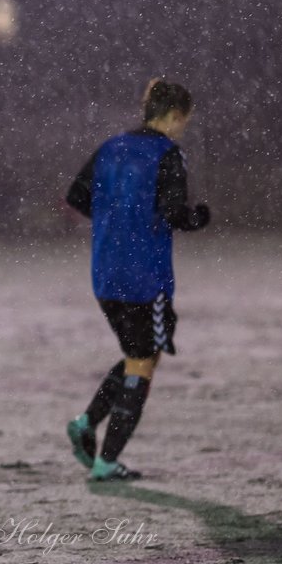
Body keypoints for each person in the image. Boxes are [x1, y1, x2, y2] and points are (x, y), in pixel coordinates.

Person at [64, 79, 211, 480]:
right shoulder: (168, 154)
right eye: (185, 120)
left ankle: (85, 423)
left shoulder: (110, 147)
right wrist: (199, 217)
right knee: (144, 363)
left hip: (105, 271)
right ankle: (106, 462)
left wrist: (116, 222)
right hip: (145, 275)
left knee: (138, 355)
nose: (184, 128)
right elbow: (174, 212)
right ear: (177, 115)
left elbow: (77, 197)